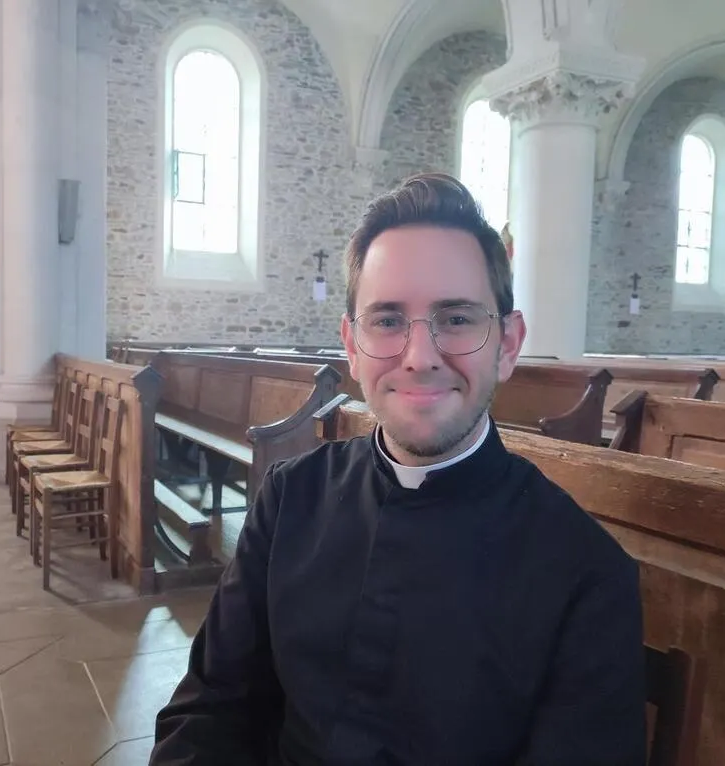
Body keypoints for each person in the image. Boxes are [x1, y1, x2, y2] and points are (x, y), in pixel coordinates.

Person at [149, 173, 647, 765]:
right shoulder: (290, 500)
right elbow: (209, 709)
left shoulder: (586, 573)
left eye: (456, 319)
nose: (419, 358)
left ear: (508, 344)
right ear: (351, 346)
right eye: (386, 320)